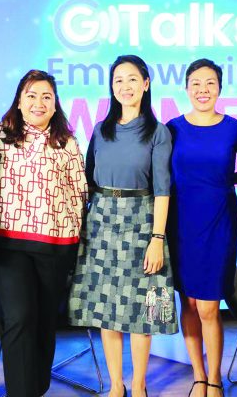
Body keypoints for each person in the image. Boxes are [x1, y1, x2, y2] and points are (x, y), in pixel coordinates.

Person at [68, 55, 178, 397]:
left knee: (143, 309)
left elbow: (162, 189)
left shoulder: (158, 132)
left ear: (146, 84)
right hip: (101, 220)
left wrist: (157, 238)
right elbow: (86, 180)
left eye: (132, 79)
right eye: (118, 80)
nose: (125, 86)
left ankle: (139, 385)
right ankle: (116, 385)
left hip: (143, 221)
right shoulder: (101, 130)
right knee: (105, 309)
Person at [0, 69, 88, 397]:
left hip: (56, 244)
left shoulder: (66, 141)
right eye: (32, 95)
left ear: (55, 105)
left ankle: (36, 388)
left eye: (46, 96)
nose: (39, 102)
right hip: (7, 243)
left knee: (43, 321)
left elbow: (79, 193)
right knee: (20, 317)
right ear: (19, 102)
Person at [166, 58, 237, 397]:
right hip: (179, 223)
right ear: (186, 88)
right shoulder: (172, 128)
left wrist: (228, 180)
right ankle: (198, 376)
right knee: (188, 304)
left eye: (210, 83)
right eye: (196, 83)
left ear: (220, 88)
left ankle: (214, 378)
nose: (203, 89)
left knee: (208, 305)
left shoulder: (233, 128)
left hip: (219, 223)